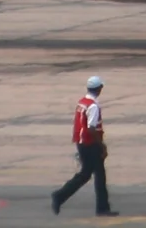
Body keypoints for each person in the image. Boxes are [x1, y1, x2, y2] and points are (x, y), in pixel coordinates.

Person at [52, 76, 116, 216]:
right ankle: (101, 208)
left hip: (82, 143)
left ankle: (101, 206)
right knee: (94, 175)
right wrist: (102, 145)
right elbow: (91, 128)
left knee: (90, 174)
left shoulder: (82, 102)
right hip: (90, 144)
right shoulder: (93, 106)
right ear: (99, 89)